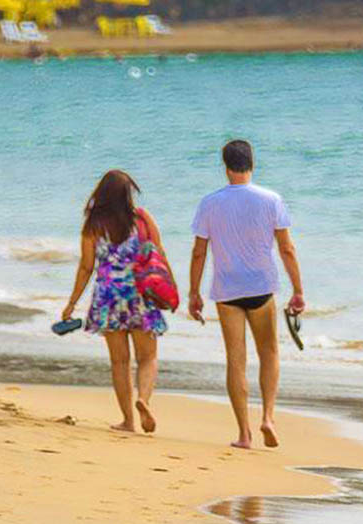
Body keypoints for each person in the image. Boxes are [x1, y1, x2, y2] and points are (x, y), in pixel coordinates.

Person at [188, 139, 306, 449]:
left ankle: (243, 434)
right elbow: (287, 248)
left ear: (225, 167)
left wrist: (193, 293)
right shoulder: (271, 200)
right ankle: (268, 417)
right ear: (252, 165)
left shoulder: (209, 203)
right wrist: (298, 290)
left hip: (227, 291)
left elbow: (199, 252)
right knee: (269, 353)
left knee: (235, 361)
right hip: (261, 289)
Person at [62, 170, 170, 434]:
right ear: (127, 193)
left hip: (109, 297)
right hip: (140, 294)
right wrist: (170, 289)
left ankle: (128, 421)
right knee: (148, 357)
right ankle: (143, 399)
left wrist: (72, 303)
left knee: (120, 362)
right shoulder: (142, 218)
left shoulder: (93, 225)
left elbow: (86, 266)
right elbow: (159, 255)